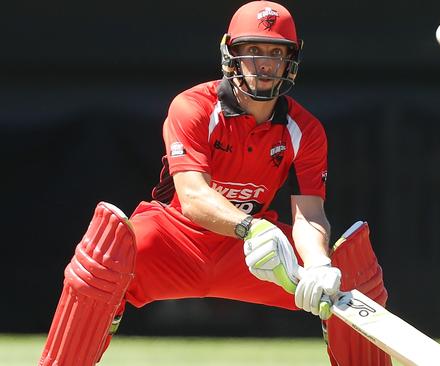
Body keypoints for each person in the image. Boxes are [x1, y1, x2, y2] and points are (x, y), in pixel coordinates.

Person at [39, 1, 390, 365]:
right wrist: (251, 228)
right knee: (104, 258)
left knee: (345, 277)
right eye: (252, 51)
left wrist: (317, 263)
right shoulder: (193, 107)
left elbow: (310, 213)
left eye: (275, 53)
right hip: (176, 238)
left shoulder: (306, 129)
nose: (265, 63)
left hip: (250, 255)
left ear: (291, 60)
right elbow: (192, 197)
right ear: (231, 55)